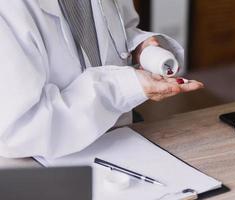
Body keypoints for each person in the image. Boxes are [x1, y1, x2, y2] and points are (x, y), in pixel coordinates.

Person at [0, 0, 203, 159]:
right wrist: (124, 87)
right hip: (49, 161)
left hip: (121, 140)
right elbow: (21, 130)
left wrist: (140, 46)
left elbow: (122, 27)